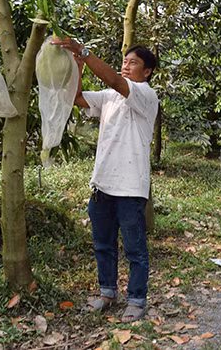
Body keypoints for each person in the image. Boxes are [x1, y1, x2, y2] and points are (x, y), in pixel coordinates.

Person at [52, 36, 159, 324]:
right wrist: (78, 67)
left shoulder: (146, 95)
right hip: (103, 185)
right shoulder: (110, 96)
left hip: (131, 187)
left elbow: (115, 81)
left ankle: (136, 299)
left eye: (133, 62)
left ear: (146, 71)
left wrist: (84, 52)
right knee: (103, 245)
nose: (126, 65)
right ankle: (107, 293)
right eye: (124, 60)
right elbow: (77, 98)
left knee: (135, 249)